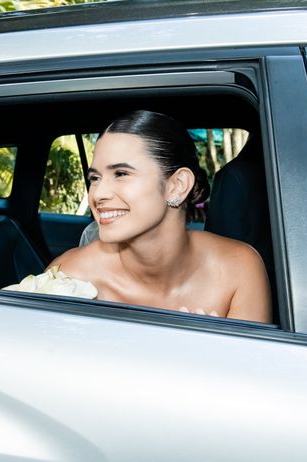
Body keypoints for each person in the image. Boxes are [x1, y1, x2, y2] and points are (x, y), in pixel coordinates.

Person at [50, 110, 272, 323]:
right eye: (95, 178)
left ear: (177, 185)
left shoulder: (239, 270)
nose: (98, 194)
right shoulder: (68, 276)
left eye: (121, 174)